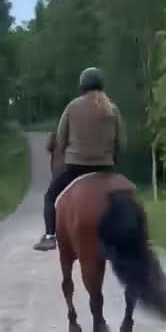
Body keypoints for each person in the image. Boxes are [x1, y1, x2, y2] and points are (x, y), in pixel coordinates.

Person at [34, 67, 126, 251]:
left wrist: (66, 153)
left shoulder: (72, 107)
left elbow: (61, 138)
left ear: (82, 85)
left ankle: (50, 236)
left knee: (50, 197)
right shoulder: (112, 109)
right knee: (122, 199)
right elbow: (122, 143)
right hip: (105, 168)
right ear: (101, 85)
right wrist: (113, 161)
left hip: (76, 167)